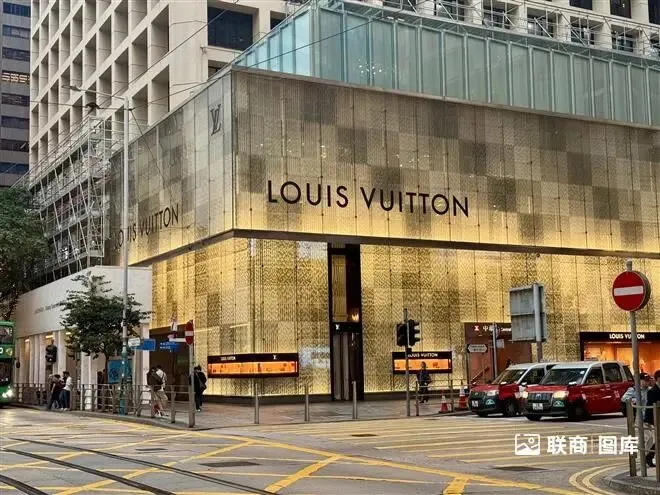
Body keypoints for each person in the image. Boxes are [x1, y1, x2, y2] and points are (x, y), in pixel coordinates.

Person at [644, 369, 660, 468]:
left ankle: (649, 457)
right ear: (657, 379)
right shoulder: (652, 391)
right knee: (658, 439)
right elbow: (651, 406)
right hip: (654, 418)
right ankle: (649, 456)